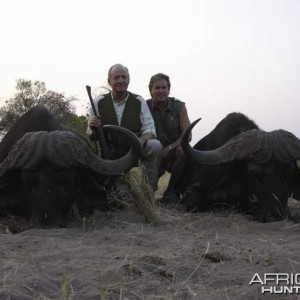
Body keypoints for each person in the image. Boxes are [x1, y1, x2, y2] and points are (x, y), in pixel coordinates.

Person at [87, 64, 162, 201]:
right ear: (109, 81)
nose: (120, 80)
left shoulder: (139, 101)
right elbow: (91, 135)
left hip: (134, 151)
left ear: (129, 79)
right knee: (115, 198)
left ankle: (148, 197)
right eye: (116, 77)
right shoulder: (98, 102)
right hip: (109, 155)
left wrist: (141, 140)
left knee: (155, 145)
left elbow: (150, 130)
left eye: (124, 77)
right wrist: (92, 127)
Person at [146, 73, 191, 202]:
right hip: (152, 153)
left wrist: (169, 148)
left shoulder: (179, 106)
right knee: (145, 194)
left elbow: (187, 135)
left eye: (164, 88)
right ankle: (147, 192)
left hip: (172, 153)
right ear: (151, 91)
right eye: (157, 88)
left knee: (183, 152)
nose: (161, 91)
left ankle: (171, 192)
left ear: (169, 90)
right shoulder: (143, 106)